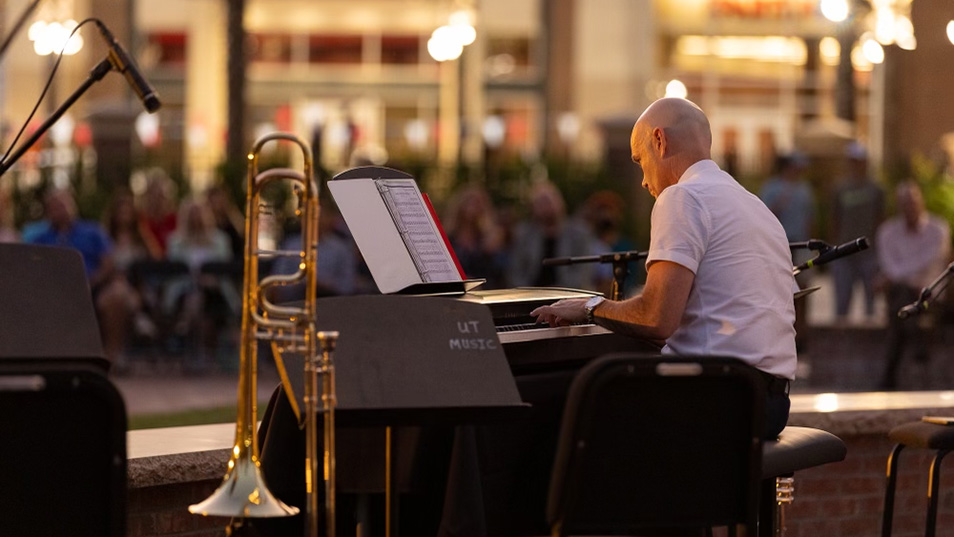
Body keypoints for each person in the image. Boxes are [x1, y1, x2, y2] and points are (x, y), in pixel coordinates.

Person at [532, 97, 797, 439]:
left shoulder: (684, 196)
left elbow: (657, 319)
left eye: (640, 160)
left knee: (566, 405)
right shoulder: (755, 206)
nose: (643, 180)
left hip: (717, 396)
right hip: (769, 401)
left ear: (660, 140)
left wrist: (588, 307)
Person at [24, 188, 135, 369]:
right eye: (55, 206)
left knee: (118, 296)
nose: (60, 209)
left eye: (63, 204)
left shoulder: (92, 232)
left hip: (93, 286)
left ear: (72, 206)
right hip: (53, 291)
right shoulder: (39, 238)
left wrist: (92, 282)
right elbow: (30, 269)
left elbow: (108, 262)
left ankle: (110, 356)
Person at [875, 181, 950, 389]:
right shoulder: (888, 232)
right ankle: (919, 351)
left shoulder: (938, 229)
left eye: (913, 202)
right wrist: (907, 279)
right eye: (905, 203)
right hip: (905, 293)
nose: (910, 207)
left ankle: (889, 375)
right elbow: (888, 263)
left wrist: (896, 277)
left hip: (930, 295)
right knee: (903, 296)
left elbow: (930, 260)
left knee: (901, 301)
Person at [760, 151, 815, 351]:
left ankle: (801, 336)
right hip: (780, 245)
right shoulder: (772, 188)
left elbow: (810, 218)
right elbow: (764, 215)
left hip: (802, 244)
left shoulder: (804, 190)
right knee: (780, 291)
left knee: (803, 290)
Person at [507, 181, 601, 290]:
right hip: (531, 296)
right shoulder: (524, 235)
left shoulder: (580, 234)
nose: (546, 207)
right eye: (541, 202)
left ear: (560, 202)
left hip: (570, 295)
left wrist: (559, 291)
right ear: (533, 207)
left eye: (549, 201)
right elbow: (515, 272)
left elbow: (583, 273)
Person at [830, 142, 884, 324]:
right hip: (844, 252)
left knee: (870, 301)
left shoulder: (876, 189)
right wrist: (833, 250)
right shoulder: (840, 189)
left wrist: (878, 248)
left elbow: (880, 219)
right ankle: (840, 340)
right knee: (842, 300)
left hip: (868, 253)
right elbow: (834, 218)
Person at [442, 184, 507, 289]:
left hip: (485, 291)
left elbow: (498, 271)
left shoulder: (490, 237)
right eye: (469, 201)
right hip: (455, 291)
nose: (473, 206)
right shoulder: (448, 238)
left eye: (478, 202)